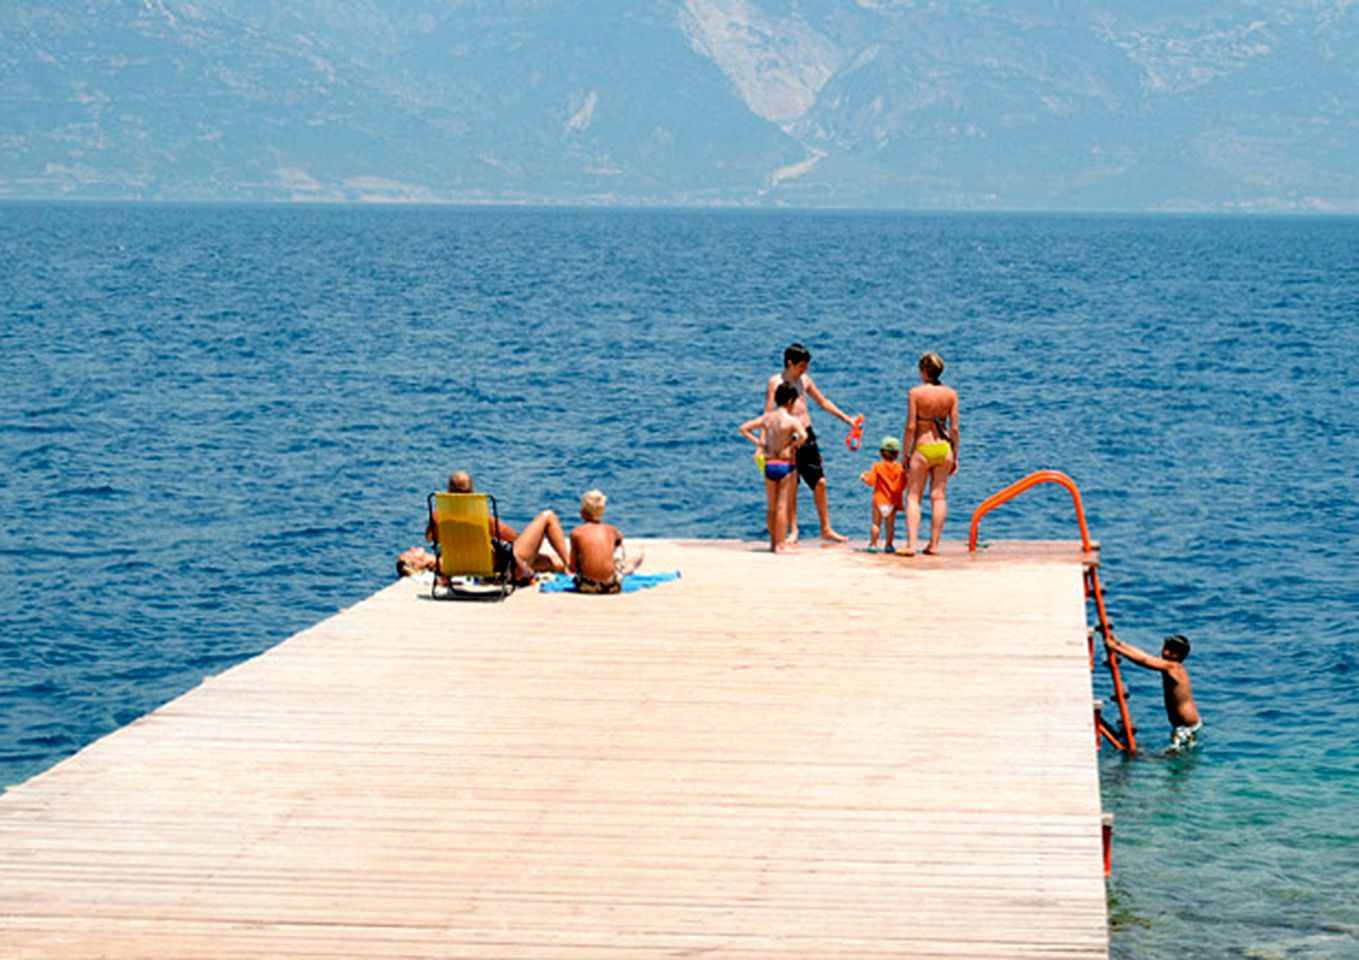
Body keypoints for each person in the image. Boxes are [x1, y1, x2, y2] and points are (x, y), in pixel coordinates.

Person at [764, 342, 858, 543]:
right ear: (790, 363)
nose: (804, 370)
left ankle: (826, 528)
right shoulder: (775, 382)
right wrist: (764, 443)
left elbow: (823, 402)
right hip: (785, 438)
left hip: (807, 435)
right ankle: (793, 530)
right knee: (791, 486)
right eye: (801, 366)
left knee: (820, 482)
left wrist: (847, 419)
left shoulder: (805, 381)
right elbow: (768, 414)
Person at [426, 470, 570, 584]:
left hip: (464, 566)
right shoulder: (479, 517)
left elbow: (430, 538)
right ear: (471, 491)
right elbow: (512, 536)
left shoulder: (438, 516)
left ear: (449, 491)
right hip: (497, 568)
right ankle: (570, 564)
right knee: (548, 516)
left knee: (545, 561)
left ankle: (572, 566)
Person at [900, 351, 959, 557]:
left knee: (914, 497)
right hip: (944, 448)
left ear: (923, 371)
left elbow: (910, 427)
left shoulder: (915, 393)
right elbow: (954, 430)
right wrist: (955, 455)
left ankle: (911, 545)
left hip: (923, 448)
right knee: (939, 497)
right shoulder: (951, 394)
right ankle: (933, 544)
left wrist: (905, 454)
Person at [1105, 633, 1202, 752]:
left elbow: (1144, 660)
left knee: (1174, 760)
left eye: (1166, 648)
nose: (1161, 650)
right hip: (1181, 726)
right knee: (1175, 762)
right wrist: (1120, 644)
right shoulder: (1169, 666)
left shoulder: (1173, 667)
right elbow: (1145, 656)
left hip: (1187, 727)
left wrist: (1116, 648)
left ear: (1175, 654)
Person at [740, 382, 806, 554]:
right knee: (782, 506)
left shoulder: (768, 418)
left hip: (770, 463)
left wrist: (760, 443)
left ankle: (772, 542)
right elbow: (804, 435)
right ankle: (780, 544)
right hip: (785, 464)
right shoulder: (791, 420)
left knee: (771, 506)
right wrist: (792, 445)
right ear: (790, 400)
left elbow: (744, 428)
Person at [568, 489, 644, 594]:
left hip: (586, 586)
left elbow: (573, 567)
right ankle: (624, 567)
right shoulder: (611, 530)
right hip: (610, 586)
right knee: (618, 543)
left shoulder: (576, 532)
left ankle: (625, 566)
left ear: (583, 513)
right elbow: (620, 540)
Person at [859, 436, 905, 553]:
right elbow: (904, 483)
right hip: (892, 501)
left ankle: (873, 545)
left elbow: (871, 482)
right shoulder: (900, 468)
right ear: (898, 453)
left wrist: (865, 477)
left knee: (876, 524)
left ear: (881, 452)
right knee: (890, 526)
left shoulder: (877, 466)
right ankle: (889, 545)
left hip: (879, 500)